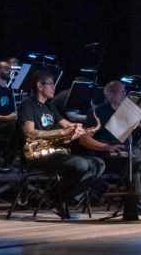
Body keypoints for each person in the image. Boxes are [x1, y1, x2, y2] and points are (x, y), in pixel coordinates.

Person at [18, 69, 104, 219]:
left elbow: (66, 124)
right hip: (36, 153)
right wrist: (61, 133)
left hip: (55, 153)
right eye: (51, 85)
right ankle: (57, 198)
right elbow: (30, 133)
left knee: (98, 164)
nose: (54, 88)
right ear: (40, 86)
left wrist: (77, 128)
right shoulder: (28, 105)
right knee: (81, 165)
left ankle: (56, 197)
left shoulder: (50, 106)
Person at [78, 80, 141, 213]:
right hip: (108, 156)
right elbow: (84, 139)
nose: (125, 95)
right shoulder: (98, 112)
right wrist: (106, 147)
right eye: (121, 92)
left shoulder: (126, 112)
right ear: (110, 95)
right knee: (135, 155)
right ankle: (139, 200)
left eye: (125, 92)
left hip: (127, 153)